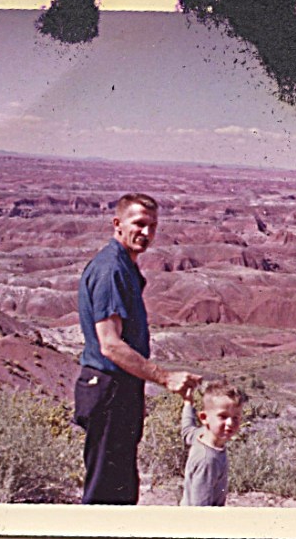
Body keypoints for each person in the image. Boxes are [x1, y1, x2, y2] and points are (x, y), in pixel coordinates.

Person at [74, 192, 202, 505]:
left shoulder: (124, 266)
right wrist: (165, 378)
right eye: (139, 224)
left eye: (152, 227)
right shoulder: (111, 270)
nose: (146, 233)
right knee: (105, 492)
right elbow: (111, 345)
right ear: (117, 224)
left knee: (119, 487)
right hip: (109, 389)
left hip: (120, 389)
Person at [180, 381, 245, 506]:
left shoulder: (200, 435)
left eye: (235, 417)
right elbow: (200, 509)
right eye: (223, 416)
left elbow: (187, 430)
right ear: (204, 417)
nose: (230, 423)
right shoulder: (208, 461)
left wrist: (188, 403)